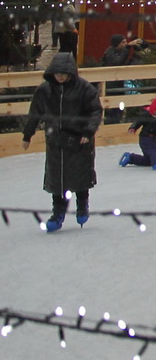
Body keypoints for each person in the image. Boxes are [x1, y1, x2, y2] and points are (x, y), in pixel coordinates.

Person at [19, 51, 101, 231]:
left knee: (80, 175)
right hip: (56, 140)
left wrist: (88, 131)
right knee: (57, 179)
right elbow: (35, 114)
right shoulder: (44, 90)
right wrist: (27, 135)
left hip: (80, 140)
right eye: (57, 73)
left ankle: (82, 206)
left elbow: (95, 111)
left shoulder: (85, 88)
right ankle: (58, 213)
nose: (61, 77)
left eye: (64, 73)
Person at [119, 95, 156, 169]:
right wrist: (133, 127)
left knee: (148, 160)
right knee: (155, 150)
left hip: (154, 139)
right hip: (146, 138)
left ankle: (131, 158)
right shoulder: (146, 115)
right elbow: (138, 121)